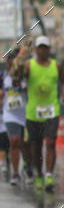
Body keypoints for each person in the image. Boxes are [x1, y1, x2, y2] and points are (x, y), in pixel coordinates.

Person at [18, 36, 64, 191]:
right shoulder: (29, 65)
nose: (42, 50)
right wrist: (20, 59)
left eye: (45, 48)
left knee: (51, 142)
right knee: (36, 146)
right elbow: (19, 78)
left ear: (49, 49)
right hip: (33, 112)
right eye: (40, 47)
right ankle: (39, 174)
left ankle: (49, 176)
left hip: (52, 110)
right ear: (36, 50)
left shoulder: (56, 66)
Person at [0, 48, 32, 185]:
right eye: (9, 63)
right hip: (10, 114)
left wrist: (24, 88)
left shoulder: (25, 75)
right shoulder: (3, 77)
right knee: (14, 140)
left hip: (26, 113)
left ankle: (27, 167)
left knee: (25, 144)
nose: (11, 65)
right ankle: (15, 173)